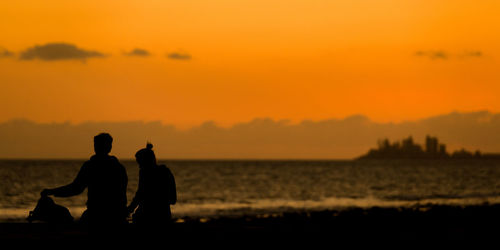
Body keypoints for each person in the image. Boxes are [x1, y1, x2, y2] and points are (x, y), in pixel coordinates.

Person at [41, 133, 128, 226]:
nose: (96, 147)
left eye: (98, 144)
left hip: (96, 214)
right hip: (117, 214)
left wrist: (52, 191)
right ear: (109, 147)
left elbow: (76, 188)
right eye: (96, 144)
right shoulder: (119, 167)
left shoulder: (90, 166)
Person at [127, 143, 177, 226]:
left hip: (148, 217)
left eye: (140, 163)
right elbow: (173, 200)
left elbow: (140, 194)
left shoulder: (145, 172)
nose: (139, 166)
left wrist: (130, 209)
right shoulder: (166, 172)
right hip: (164, 216)